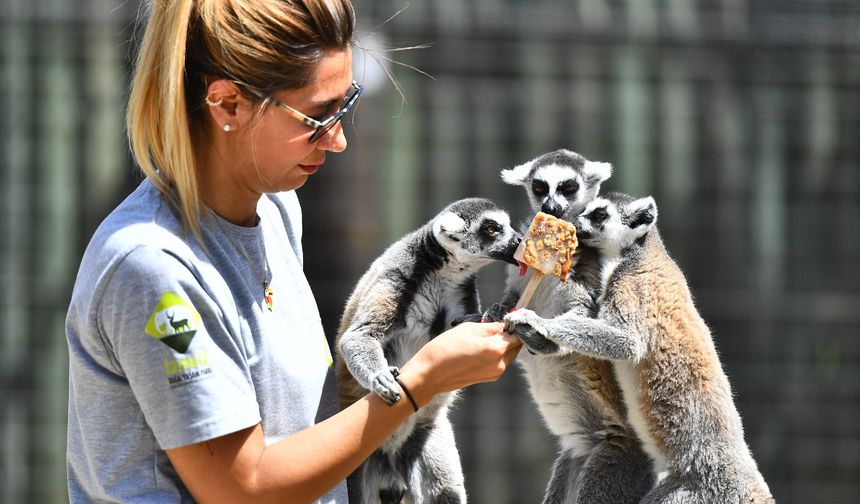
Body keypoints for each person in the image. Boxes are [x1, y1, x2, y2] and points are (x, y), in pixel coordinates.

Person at [64, 1, 522, 502]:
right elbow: (245, 488)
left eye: (346, 106)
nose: (340, 140)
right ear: (228, 104)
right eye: (319, 116)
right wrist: (420, 382)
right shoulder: (152, 265)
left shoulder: (278, 207)